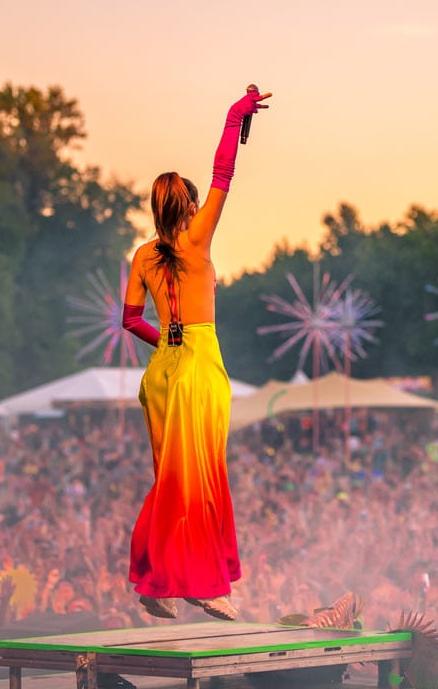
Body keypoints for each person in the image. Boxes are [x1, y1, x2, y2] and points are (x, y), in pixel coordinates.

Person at [121, 86, 271, 621]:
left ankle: (154, 580)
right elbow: (223, 174)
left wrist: (164, 341)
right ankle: (201, 585)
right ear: (186, 206)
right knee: (202, 476)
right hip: (199, 365)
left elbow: (131, 320)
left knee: (170, 481)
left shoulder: (142, 255)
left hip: (161, 371)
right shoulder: (196, 239)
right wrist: (236, 118)